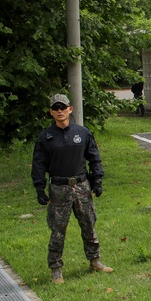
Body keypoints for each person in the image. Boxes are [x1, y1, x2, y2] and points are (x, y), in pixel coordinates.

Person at [31, 93, 112, 283]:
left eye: (63, 107)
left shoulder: (83, 133)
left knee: (89, 224)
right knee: (58, 230)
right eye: (56, 108)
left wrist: (97, 180)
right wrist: (39, 189)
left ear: (70, 109)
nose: (60, 111)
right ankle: (56, 268)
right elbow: (38, 164)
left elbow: (94, 157)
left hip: (81, 186)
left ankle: (95, 260)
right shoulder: (46, 137)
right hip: (59, 188)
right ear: (51, 112)